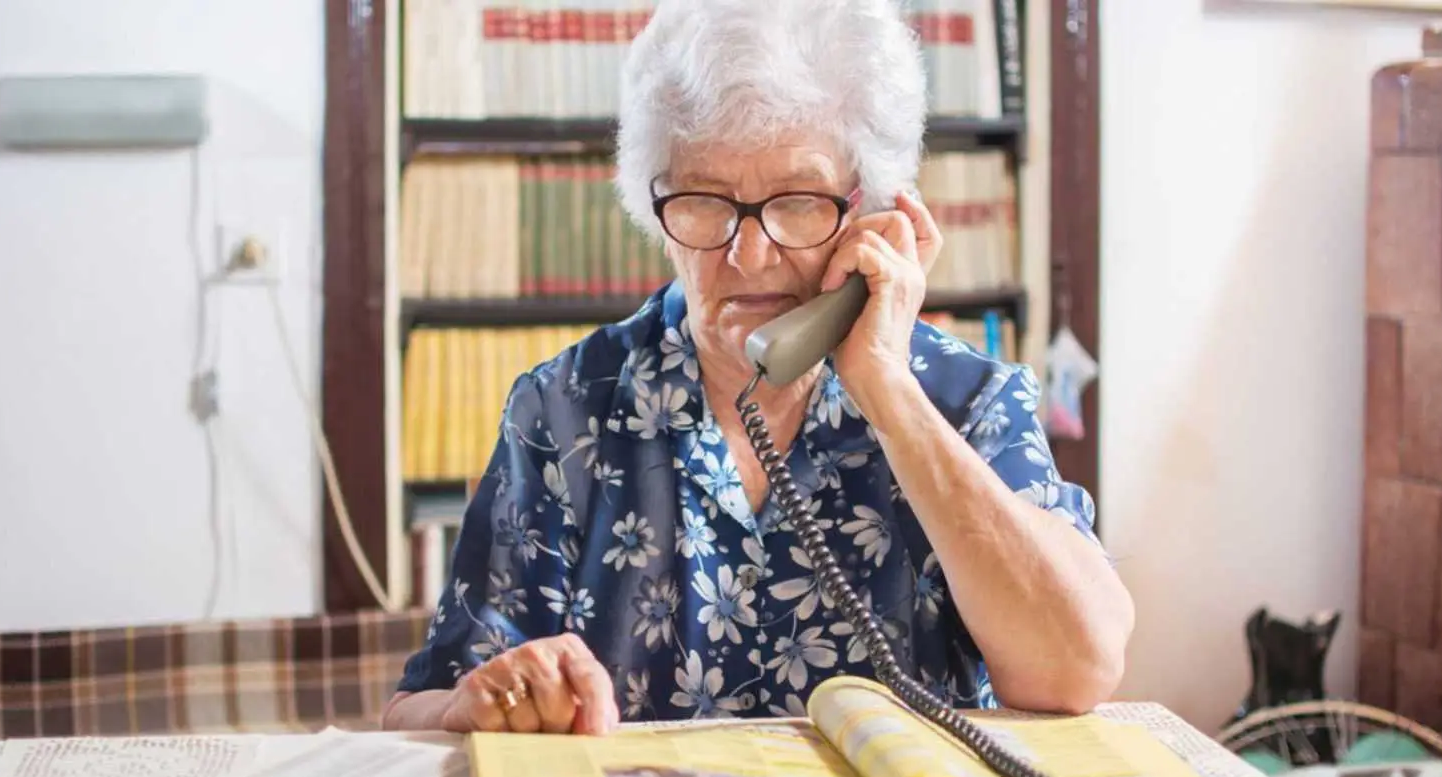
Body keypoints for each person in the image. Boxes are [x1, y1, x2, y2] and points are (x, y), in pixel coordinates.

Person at [383, 0, 1134, 736]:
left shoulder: (965, 399)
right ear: (656, 205)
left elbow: (1076, 669)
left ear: (874, 213)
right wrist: (476, 704)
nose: (747, 255)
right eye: (705, 201)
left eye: (799, 202)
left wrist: (889, 393)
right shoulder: (565, 408)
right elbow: (421, 707)